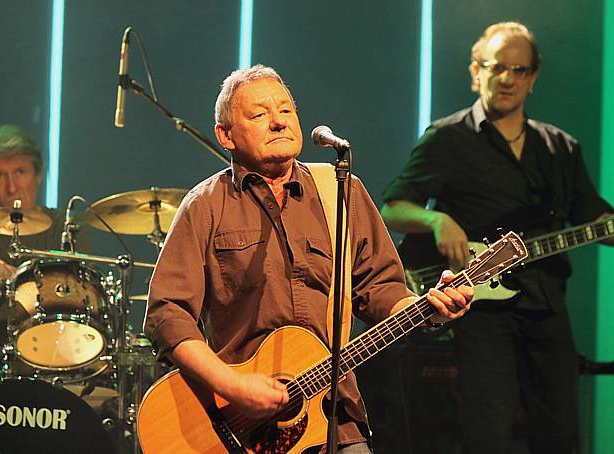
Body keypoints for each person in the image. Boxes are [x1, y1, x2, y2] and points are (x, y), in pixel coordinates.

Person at [144, 64, 474, 452]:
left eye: (286, 110)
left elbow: (381, 289)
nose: (279, 121)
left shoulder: (341, 191)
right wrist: (230, 384)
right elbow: (167, 313)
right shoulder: (205, 205)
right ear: (226, 135)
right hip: (236, 425)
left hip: (333, 414)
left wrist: (429, 310)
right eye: (259, 114)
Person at [381, 22, 614, 454]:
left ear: (533, 78)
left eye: (519, 70)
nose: (507, 78)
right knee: (488, 434)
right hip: (481, 312)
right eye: (496, 67)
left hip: (547, 305)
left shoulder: (560, 147)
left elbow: (594, 216)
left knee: (561, 434)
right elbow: (392, 207)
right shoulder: (448, 138)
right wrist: (437, 220)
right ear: (476, 71)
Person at [0, 124, 90, 279]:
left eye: (20, 172)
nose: (11, 187)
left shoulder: (68, 228)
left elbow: (76, 289)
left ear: (38, 174)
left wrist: (12, 276)